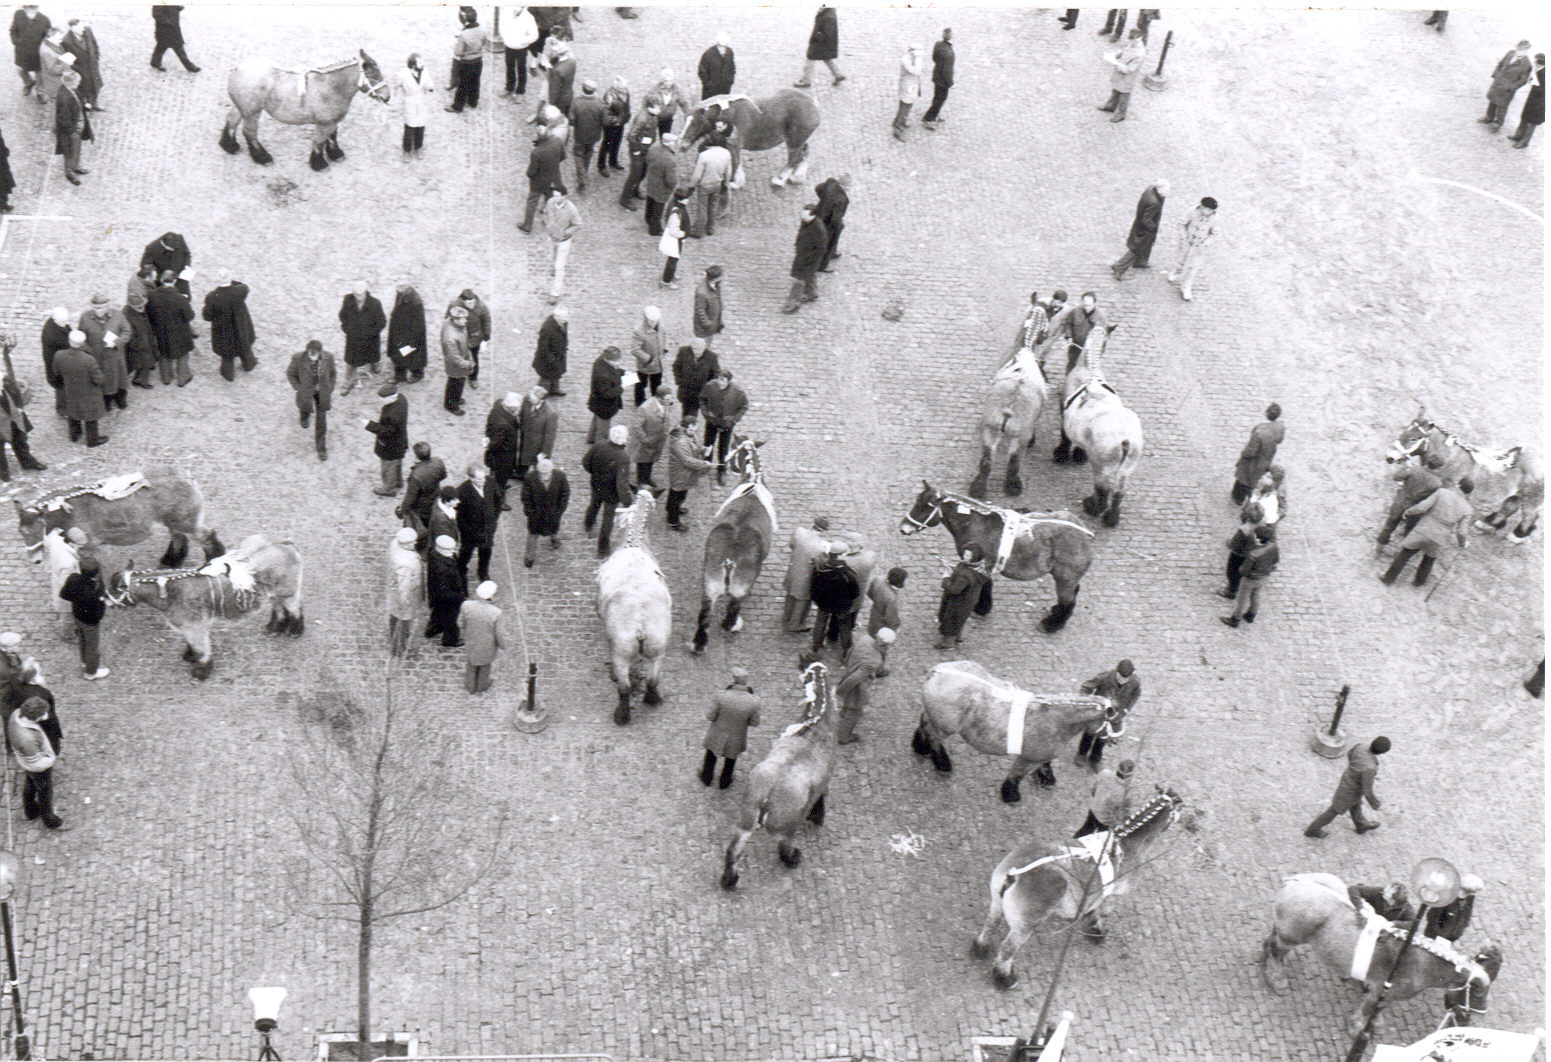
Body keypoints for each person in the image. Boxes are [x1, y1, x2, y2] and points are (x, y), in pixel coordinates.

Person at [1381, 480, 1473, 587]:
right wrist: (1463, 543)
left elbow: (1422, 507)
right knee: (1429, 558)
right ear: (1468, 493)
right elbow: (1461, 532)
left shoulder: (1442, 492)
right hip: (1440, 535)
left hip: (1425, 528)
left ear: (1458, 485)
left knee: (1406, 553)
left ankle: (1388, 578)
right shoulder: (1468, 509)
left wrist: (1409, 511)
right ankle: (1419, 582)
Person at [1304, 736, 1389, 837]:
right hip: (1351, 791)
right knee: (1334, 810)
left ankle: (1361, 825)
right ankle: (1313, 829)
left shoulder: (1361, 747)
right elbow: (1367, 791)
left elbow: (1350, 754)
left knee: (1355, 804)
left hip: (1347, 780)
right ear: (1381, 753)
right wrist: (1376, 804)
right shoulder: (1370, 768)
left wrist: (1354, 770)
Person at [7, 691, 63, 829]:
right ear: (34, 718)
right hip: (36, 766)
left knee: (30, 783)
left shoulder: (16, 714)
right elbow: (37, 764)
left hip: (25, 761)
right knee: (44, 791)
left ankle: (30, 811)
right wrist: (51, 760)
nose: (46, 716)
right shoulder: (27, 739)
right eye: (43, 714)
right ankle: (49, 819)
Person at [699, 665, 762, 783]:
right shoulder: (754, 701)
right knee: (731, 758)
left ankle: (706, 778)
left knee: (711, 755)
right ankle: (725, 781)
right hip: (737, 735)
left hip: (718, 733)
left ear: (733, 680)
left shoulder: (721, 696)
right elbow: (754, 722)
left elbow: (710, 716)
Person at [1076, 659, 1140, 769]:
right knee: (1089, 733)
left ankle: (1095, 758)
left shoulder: (1135, 681)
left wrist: (1126, 710)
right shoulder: (1104, 677)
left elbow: (1135, 695)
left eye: (1127, 678)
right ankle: (1081, 754)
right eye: (1121, 677)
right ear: (1117, 672)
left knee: (1104, 736)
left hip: (1115, 715)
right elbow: (1085, 687)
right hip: (1098, 712)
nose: (1124, 681)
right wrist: (1088, 703)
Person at [582, 423, 631, 555]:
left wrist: (594, 473)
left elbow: (586, 462)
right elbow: (622, 484)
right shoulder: (623, 457)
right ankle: (603, 548)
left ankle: (588, 523)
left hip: (597, 485)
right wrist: (628, 503)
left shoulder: (599, 445)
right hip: (612, 493)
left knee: (594, 505)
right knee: (608, 519)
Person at [833, 627, 888, 745]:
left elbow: (849, 653)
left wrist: (848, 668)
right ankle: (844, 736)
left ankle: (843, 712)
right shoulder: (874, 660)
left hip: (849, 672)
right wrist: (840, 690)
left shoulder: (865, 639)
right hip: (858, 687)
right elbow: (856, 678)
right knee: (855, 710)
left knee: (848, 703)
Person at [201, 270, 257, 381]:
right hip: (240, 326)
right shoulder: (240, 291)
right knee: (245, 347)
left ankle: (228, 374)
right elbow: (243, 285)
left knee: (227, 354)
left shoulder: (212, 297)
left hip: (223, 329)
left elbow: (207, 316)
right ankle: (249, 365)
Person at [77, 294, 129, 411]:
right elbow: (81, 336)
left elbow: (127, 331)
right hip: (97, 357)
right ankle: (106, 402)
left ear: (107, 307)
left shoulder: (118, 315)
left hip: (115, 356)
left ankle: (121, 399)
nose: (97, 311)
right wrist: (88, 350)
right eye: (95, 308)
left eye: (100, 308)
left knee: (119, 380)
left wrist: (117, 342)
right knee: (102, 382)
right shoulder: (85, 317)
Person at [0, 343, 45, 481]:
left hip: (14, 419)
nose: (3, 383)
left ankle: (28, 462)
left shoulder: (5, 383)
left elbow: (14, 391)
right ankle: (4, 472)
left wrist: (19, 407)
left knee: (20, 441)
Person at [286, 340, 336, 461]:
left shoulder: (328, 357)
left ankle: (321, 448)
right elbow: (290, 373)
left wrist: (329, 388)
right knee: (304, 406)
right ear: (307, 351)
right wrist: (299, 388)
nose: (313, 357)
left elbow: (333, 374)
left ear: (320, 352)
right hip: (306, 391)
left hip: (322, 392)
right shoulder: (298, 358)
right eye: (310, 354)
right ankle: (304, 417)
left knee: (321, 420)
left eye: (315, 354)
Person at [59, 558, 108, 679]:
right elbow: (99, 609)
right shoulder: (96, 589)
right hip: (91, 622)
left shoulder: (73, 578)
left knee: (82, 639)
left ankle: (84, 661)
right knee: (92, 646)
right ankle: (91, 672)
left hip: (77, 615)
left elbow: (63, 594)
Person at [55, 331, 106, 447]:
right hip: (88, 393)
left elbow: (56, 372)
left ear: (69, 341)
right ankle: (93, 440)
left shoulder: (59, 355)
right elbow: (98, 379)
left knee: (73, 413)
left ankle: (74, 435)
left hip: (70, 390)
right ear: (83, 343)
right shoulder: (89, 360)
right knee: (90, 417)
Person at [809, 543, 862, 655]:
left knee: (820, 623)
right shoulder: (848, 574)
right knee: (844, 628)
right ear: (840, 555)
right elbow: (855, 593)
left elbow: (813, 587)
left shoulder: (820, 569)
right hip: (841, 607)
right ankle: (847, 652)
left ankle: (816, 647)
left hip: (823, 604)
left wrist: (818, 600)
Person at [935, 544, 992, 649]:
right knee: (960, 619)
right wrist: (952, 568)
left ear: (973, 558)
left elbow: (954, 589)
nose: (964, 556)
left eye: (967, 555)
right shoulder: (978, 568)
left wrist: (946, 577)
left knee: (951, 620)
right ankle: (958, 638)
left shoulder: (966, 575)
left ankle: (948, 644)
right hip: (968, 600)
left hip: (958, 602)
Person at [782, 515, 832, 632]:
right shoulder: (819, 548)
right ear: (824, 530)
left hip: (793, 570)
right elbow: (821, 565)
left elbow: (791, 545)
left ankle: (786, 616)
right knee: (802, 601)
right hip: (805, 577)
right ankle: (795, 624)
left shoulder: (799, 532)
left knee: (790, 594)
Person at [1220, 525, 1277, 627]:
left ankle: (1235, 619)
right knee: (1256, 595)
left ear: (1258, 539)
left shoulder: (1253, 554)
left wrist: (1242, 571)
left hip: (1250, 579)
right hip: (1263, 577)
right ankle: (1251, 614)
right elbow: (1275, 561)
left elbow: (1244, 569)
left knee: (1242, 598)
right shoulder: (1273, 546)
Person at [146, 270, 195, 386]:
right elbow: (190, 316)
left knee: (163, 352)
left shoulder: (152, 295)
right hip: (179, 332)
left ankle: (166, 377)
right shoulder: (180, 298)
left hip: (160, 330)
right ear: (174, 281)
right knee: (182, 354)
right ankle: (183, 378)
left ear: (162, 280)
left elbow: (149, 312)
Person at [1112, 180, 1169, 280]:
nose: (1168, 191)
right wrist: (1153, 227)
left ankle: (1141, 262)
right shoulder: (1154, 202)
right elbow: (1146, 219)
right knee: (1137, 248)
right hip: (1145, 230)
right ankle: (1119, 267)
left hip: (1139, 225)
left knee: (1143, 246)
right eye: (1167, 189)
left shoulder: (1150, 190)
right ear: (1160, 189)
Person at [520, 454, 569, 566]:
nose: (544, 476)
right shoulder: (530, 478)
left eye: (547, 473)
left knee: (553, 527)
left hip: (553, 512)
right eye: (542, 473)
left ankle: (554, 539)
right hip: (536, 513)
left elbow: (565, 494)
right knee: (533, 534)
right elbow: (525, 496)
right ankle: (529, 556)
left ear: (552, 471)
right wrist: (529, 512)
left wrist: (560, 510)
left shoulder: (560, 477)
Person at [665, 417, 713, 531]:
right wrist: (704, 464)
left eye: (695, 430)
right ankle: (673, 521)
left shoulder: (688, 435)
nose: (694, 432)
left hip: (683, 472)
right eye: (692, 430)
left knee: (677, 492)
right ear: (685, 427)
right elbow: (687, 461)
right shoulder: (680, 442)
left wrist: (703, 450)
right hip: (680, 472)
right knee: (677, 494)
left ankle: (671, 509)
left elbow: (693, 447)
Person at [699, 367, 746, 484]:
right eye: (719, 379)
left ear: (728, 381)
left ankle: (721, 469)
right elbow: (702, 399)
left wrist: (734, 420)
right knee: (708, 444)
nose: (720, 383)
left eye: (723, 380)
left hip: (727, 424)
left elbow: (744, 406)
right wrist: (706, 414)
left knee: (723, 448)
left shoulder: (738, 392)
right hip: (712, 422)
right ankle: (706, 464)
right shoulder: (710, 386)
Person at [338, 284, 386, 395]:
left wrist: (371, 333)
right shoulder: (348, 300)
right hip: (353, 338)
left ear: (365, 292)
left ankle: (374, 364)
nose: (357, 297)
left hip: (370, 339)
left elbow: (381, 322)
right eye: (355, 294)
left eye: (360, 294)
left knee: (372, 355)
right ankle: (347, 382)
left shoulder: (375, 304)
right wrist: (347, 328)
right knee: (351, 361)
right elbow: (342, 315)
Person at [363, 380, 409, 496]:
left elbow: (386, 432)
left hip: (389, 447)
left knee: (387, 469)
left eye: (383, 399)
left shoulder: (391, 415)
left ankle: (388, 489)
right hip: (400, 442)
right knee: (397, 463)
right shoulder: (402, 399)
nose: (380, 401)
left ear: (390, 398)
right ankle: (398, 482)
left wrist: (369, 425)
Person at [1168, 196, 1218, 301]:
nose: (1210, 212)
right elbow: (1181, 224)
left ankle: (1186, 288)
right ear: (1202, 207)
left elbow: (1214, 234)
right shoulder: (1191, 211)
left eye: (1212, 210)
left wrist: (1206, 243)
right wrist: (1184, 237)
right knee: (1180, 261)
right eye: (1208, 209)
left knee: (1193, 268)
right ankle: (1176, 271)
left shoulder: (1215, 218)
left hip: (1199, 247)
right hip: (1186, 242)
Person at [1232, 403, 1284, 504]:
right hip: (1267, 458)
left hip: (1254, 461)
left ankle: (1238, 498)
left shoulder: (1259, 431)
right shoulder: (1280, 426)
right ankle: (1251, 495)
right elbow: (1279, 440)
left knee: (1244, 478)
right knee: (1257, 478)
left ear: (1266, 413)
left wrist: (1244, 453)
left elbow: (1251, 451)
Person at [458, 581, 504, 693]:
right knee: (485, 667)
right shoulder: (496, 613)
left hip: (471, 641)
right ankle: (481, 686)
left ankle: (470, 686)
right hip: (487, 645)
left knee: (471, 664)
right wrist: (503, 645)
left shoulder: (467, 605)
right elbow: (499, 634)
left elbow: (460, 623)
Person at [782, 203, 828, 314]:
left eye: (805, 215)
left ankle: (793, 303)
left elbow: (821, 249)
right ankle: (811, 293)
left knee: (799, 280)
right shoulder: (806, 221)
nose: (802, 217)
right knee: (809, 276)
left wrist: (808, 260)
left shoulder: (819, 230)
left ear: (813, 216)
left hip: (809, 259)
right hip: (803, 255)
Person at [519, 124, 566, 233]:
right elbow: (563, 157)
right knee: (550, 198)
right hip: (554, 178)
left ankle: (527, 226)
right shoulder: (558, 141)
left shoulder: (536, 152)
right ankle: (548, 218)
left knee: (532, 202)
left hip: (539, 182)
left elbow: (532, 172)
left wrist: (529, 174)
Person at [385, 526, 423, 656]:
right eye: (412, 542)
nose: (415, 544)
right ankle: (399, 648)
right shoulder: (405, 563)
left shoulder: (395, 544)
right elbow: (404, 587)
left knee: (395, 619)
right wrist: (405, 603)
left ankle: (397, 642)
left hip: (394, 592)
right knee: (402, 622)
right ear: (406, 544)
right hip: (403, 598)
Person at [398, 441, 447, 544]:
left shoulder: (416, 475)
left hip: (421, 506)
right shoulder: (438, 461)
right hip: (435, 497)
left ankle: (423, 543)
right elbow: (443, 476)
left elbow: (410, 497)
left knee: (421, 526)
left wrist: (402, 510)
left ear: (417, 456)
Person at [456, 464, 497, 583]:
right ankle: (461, 570)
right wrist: (466, 530)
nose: (483, 481)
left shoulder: (490, 482)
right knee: (466, 552)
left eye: (484, 477)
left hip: (488, 529)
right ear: (471, 478)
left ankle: (483, 573)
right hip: (470, 532)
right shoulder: (462, 491)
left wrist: (494, 519)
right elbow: (459, 516)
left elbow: (498, 499)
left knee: (486, 552)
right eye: (480, 479)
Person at [424, 535, 466, 647]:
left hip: (436, 596)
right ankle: (450, 640)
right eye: (451, 549)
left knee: (437, 612)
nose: (454, 551)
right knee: (451, 619)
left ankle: (433, 629)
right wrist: (459, 597)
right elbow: (444, 592)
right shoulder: (442, 569)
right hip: (448, 599)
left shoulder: (434, 553)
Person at [1481, 40, 1532, 131]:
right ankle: (1489, 117)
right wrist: (1496, 74)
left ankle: (1498, 123)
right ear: (1517, 47)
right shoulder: (1510, 54)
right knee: (1492, 101)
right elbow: (1500, 64)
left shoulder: (1526, 64)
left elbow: (1523, 80)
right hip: (1498, 83)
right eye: (1519, 49)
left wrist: (1512, 87)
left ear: (1527, 51)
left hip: (1507, 89)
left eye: (1524, 50)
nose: (1520, 51)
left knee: (1502, 106)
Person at [629, 384, 672, 490]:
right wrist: (646, 440)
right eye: (667, 399)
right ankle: (642, 483)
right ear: (658, 398)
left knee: (650, 461)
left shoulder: (664, 405)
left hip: (656, 441)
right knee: (643, 463)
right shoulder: (645, 408)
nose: (670, 402)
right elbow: (636, 426)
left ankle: (647, 478)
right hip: (645, 444)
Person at [1075, 759, 1134, 837]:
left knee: (1085, 830)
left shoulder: (1104, 773)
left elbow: (1093, 791)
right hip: (1105, 821)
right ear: (1129, 775)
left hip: (1094, 809)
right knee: (1102, 838)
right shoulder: (1124, 792)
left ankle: (1072, 842)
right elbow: (1124, 812)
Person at [1098, 28, 1146, 122]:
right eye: (1130, 39)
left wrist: (1116, 63)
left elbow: (1130, 69)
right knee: (1115, 91)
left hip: (1127, 78)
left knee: (1124, 96)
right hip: (1120, 75)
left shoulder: (1140, 54)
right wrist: (1114, 55)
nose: (1130, 41)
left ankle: (1121, 114)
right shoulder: (1132, 45)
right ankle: (1110, 106)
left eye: (1133, 40)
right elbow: (1124, 51)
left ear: (1139, 39)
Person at [1217, 503, 1264, 600]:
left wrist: (1230, 544)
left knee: (1232, 571)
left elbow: (1236, 543)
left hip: (1239, 554)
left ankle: (1231, 591)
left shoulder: (1244, 529)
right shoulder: (1261, 524)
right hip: (1252, 553)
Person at [619, 101, 660, 210]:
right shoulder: (642, 118)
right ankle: (625, 198)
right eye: (657, 107)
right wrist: (636, 150)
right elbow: (631, 135)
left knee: (643, 172)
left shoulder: (653, 115)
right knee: (635, 175)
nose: (659, 110)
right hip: (638, 151)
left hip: (646, 149)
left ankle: (635, 190)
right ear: (650, 107)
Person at [446, 6, 488, 113]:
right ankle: (473, 101)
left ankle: (457, 106)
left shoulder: (464, 35)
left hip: (466, 62)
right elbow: (484, 42)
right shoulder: (482, 30)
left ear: (466, 21)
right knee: (475, 81)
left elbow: (458, 52)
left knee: (463, 85)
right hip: (478, 61)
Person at [483, 391, 521, 505]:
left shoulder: (498, 405)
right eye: (516, 409)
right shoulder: (503, 425)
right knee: (500, 478)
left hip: (500, 454)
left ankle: (500, 486)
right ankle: (499, 500)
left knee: (500, 476)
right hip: (502, 457)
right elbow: (495, 444)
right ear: (511, 409)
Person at [690, 136, 733, 239]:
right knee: (713, 206)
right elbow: (728, 172)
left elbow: (697, 174)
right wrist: (726, 183)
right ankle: (710, 228)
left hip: (705, 185)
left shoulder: (704, 155)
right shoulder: (726, 153)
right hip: (717, 183)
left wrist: (691, 185)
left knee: (702, 208)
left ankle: (698, 231)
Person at [543, 185, 581, 302]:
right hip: (552, 237)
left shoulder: (571, 209)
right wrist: (547, 224)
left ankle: (555, 293)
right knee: (551, 258)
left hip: (563, 241)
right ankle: (553, 268)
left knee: (560, 266)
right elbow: (544, 213)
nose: (555, 198)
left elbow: (578, 224)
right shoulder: (550, 202)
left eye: (557, 196)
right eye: (554, 195)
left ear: (564, 197)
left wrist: (566, 233)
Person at [54, 67, 91, 185]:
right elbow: (63, 119)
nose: (79, 83)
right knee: (69, 152)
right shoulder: (64, 98)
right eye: (77, 81)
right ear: (70, 82)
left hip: (77, 126)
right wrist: (72, 132)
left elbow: (78, 101)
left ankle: (76, 166)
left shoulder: (71, 90)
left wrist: (84, 105)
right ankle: (70, 172)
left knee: (76, 149)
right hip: (70, 131)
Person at [448, 289, 490, 390]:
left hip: (474, 338)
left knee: (474, 359)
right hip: (460, 338)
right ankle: (460, 374)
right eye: (468, 302)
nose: (471, 304)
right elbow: (448, 319)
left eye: (472, 302)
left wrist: (486, 335)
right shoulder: (454, 305)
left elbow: (487, 320)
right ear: (462, 301)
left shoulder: (481, 306)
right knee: (459, 357)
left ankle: (473, 378)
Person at [672, 335, 721, 421]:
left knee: (692, 413)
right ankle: (686, 426)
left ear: (704, 348)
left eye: (699, 350)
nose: (696, 352)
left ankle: (689, 427)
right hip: (685, 390)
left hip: (700, 392)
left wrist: (708, 388)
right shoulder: (683, 351)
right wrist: (679, 381)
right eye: (694, 349)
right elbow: (676, 366)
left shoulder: (712, 357)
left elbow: (716, 374)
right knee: (686, 410)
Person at [795, 5, 845, 88]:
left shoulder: (828, 15)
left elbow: (827, 31)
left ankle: (806, 80)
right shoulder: (828, 11)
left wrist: (817, 37)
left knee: (810, 58)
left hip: (820, 41)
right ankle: (838, 75)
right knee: (826, 58)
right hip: (824, 42)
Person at [388, 281, 428, 383]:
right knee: (399, 354)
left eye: (400, 286)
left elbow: (419, 325)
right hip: (399, 331)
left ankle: (417, 374)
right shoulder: (402, 293)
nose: (397, 289)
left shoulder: (416, 302)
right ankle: (399, 376)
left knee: (413, 355)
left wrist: (413, 342)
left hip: (410, 335)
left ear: (407, 286)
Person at [641, 131, 679, 237]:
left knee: (650, 199)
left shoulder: (654, 147)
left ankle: (648, 218)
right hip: (662, 187)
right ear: (670, 144)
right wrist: (674, 185)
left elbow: (647, 159)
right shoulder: (670, 160)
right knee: (659, 206)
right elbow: (671, 180)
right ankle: (655, 229)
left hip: (652, 179)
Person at [516, 384, 557, 483]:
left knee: (537, 465)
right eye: (530, 398)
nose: (530, 400)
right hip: (525, 438)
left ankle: (535, 481)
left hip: (537, 445)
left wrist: (544, 452)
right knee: (523, 459)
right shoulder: (527, 400)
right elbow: (521, 414)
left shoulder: (550, 414)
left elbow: (550, 436)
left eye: (533, 399)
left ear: (541, 400)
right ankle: (520, 474)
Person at [569, 79, 604, 191]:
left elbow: (571, 120)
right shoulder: (600, 103)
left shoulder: (576, 102)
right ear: (594, 91)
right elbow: (606, 121)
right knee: (588, 153)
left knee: (578, 155)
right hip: (593, 136)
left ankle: (582, 178)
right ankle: (585, 172)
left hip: (580, 135)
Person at [440, 303, 474, 416]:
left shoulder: (452, 323)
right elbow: (454, 357)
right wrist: (467, 364)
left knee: (458, 382)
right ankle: (451, 405)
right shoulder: (451, 338)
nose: (465, 321)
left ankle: (456, 398)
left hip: (461, 358)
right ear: (455, 320)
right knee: (455, 383)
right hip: (455, 365)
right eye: (463, 319)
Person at [1424, 875, 1481, 941]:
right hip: (1433, 937)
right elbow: (1432, 916)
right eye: (1469, 892)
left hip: (1450, 938)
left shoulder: (1470, 898)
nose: (1471, 894)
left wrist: (1458, 932)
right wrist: (1439, 936)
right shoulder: (1448, 897)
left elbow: (1467, 915)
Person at [62, 18, 102, 111]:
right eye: (80, 28)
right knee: (85, 86)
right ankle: (85, 104)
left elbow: (94, 44)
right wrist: (76, 68)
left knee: (96, 84)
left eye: (83, 27)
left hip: (92, 64)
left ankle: (93, 103)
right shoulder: (67, 41)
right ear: (72, 28)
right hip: (81, 67)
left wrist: (96, 56)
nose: (83, 29)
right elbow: (68, 58)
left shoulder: (87, 30)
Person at [631, 305, 667, 406]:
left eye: (654, 320)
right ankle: (639, 401)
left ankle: (655, 401)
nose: (653, 323)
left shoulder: (661, 327)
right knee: (640, 383)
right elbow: (635, 349)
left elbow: (664, 336)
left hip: (657, 363)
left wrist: (664, 349)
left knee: (656, 383)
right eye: (650, 320)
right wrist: (648, 359)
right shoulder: (639, 331)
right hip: (645, 364)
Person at [10, 5, 49, 96]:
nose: (29, 12)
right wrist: (16, 41)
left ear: (37, 9)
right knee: (21, 70)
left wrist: (43, 49)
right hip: (22, 51)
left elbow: (48, 37)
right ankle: (29, 83)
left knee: (39, 74)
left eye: (32, 9)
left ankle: (40, 92)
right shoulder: (18, 15)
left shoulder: (44, 20)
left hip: (37, 53)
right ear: (24, 8)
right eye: (27, 9)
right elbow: (13, 30)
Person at [398, 53, 432, 154]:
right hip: (410, 103)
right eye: (420, 62)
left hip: (421, 102)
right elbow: (397, 85)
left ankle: (418, 147)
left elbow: (428, 82)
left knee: (421, 126)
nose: (423, 64)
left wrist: (430, 86)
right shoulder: (402, 75)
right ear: (413, 65)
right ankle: (407, 150)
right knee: (410, 127)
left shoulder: (424, 71)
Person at [1509, 53, 1545, 148]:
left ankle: (1524, 142)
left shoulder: (1545, 73)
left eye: (1536, 62)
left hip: (1540, 103)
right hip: (1533, 99)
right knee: (1524, 117)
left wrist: (1535, 84)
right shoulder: (1539, 70)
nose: (1535, 63)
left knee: (1531, 123)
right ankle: (1518, 135)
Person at [814, 176, 849, 272]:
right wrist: (840, 225)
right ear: (843, 185)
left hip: (820, 215)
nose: (849, 189)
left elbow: (818, 188)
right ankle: (822, 266)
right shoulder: (841, 199)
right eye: (848, 186)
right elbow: (835, 219)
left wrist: (823, 202)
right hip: (829, 223)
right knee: (829, 242)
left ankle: (833, 252)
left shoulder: (830, 183)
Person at [123, 289, 156, 389]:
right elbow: (129, 334)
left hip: (145, 342)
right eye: (139, 307)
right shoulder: (128, 317)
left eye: (142, 305)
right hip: (139, 346)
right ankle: (141, 382)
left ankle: (138, 380)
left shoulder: (136, 311)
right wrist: (138, 345)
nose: (142, 308)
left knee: (144, 364)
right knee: (142, 364)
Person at [149, 5, 199, 72]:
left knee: (162, 46)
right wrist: (169, 22)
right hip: (165, 29)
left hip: (173, 27)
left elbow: (176, 8)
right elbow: (156, 14)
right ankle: (190, 66)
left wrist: (178, 7)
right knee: (178, 46)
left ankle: (155, 62)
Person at [532, 305, 568, 396]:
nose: (565, 320)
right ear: (556, 316)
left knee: (557, 374)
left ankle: (554, 389)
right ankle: (540, 395)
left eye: (565, 318)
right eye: (562, 318)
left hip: (558, 354)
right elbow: (543, 348)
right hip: (547, 358)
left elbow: (564, 334)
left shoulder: (563, 321)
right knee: (546, 377)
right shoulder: (547, 328)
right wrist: (551, 360)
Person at [921, 28, 954, 129]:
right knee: (940, 99)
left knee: (937, 98)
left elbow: (934, 58)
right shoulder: (949, 53)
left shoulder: (938, 44)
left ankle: (935, 114)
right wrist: (950, 82)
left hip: (936, 76)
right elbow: (946, 71)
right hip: (943, 81)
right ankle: (928, 118)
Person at [659, 186, 691, 288]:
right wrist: (684, 234)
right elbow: (673, 231)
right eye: (686, 198)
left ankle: (671, 274)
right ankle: (666, 281)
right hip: (676, 240)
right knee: (673, 260)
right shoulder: (676, 213)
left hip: (678, 240)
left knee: (675, 259)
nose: (688, 200)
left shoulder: (677, 206)